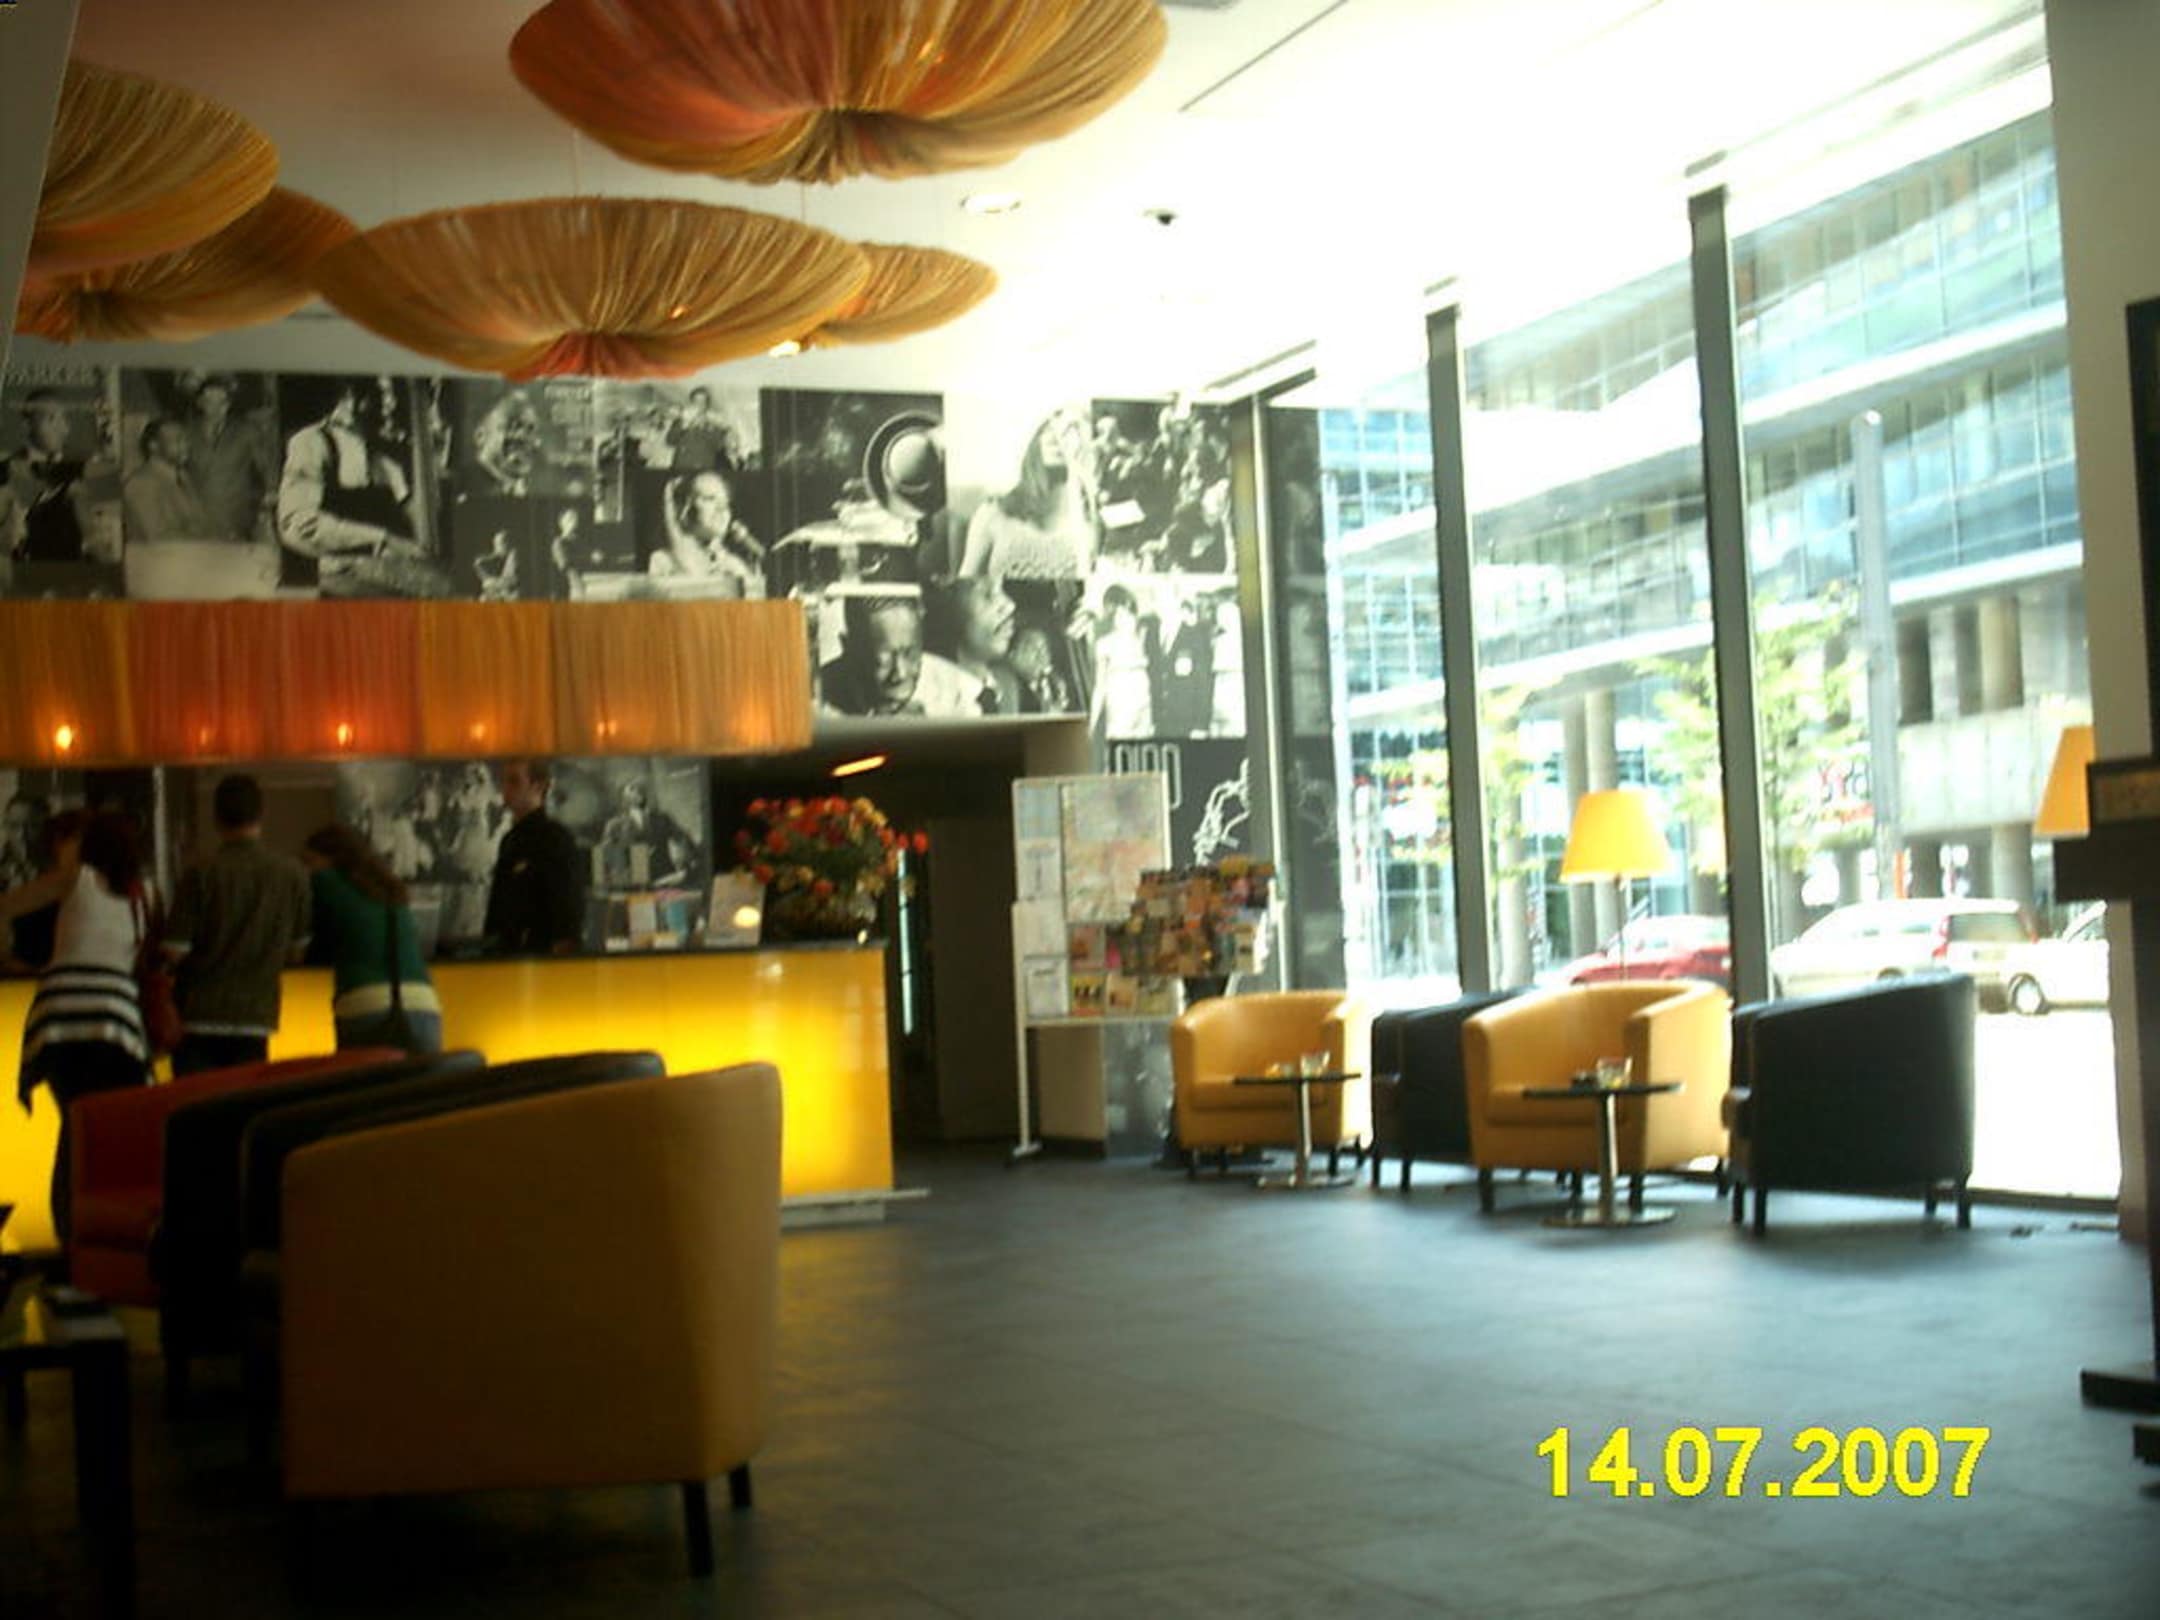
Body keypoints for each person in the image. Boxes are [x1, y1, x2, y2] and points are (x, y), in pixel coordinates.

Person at [3, 811, 152, 1241]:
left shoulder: (76, 879)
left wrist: (11, 956)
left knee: (74, 1126)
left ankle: (70, 1233)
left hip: (61, 1023)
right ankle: (106, 1233)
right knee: (108, 1135)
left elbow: (8, 905)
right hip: (117, 1027)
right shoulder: (147, 896)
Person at [163, 774, 312, 1076]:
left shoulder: (200, 872)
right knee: (244, 1100)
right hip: (256, 1016)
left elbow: (174, 951)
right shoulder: (292, 874)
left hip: (198, 1015)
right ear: (261, 814)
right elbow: (297, 952)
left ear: (216, 817)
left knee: (197, 1104)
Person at [301, 824, 443, 1054]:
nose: (305, 869)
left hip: (364, 1003)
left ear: (331, 857)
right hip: (423, 1003)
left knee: (368, 1078)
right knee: (422, 1078)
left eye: (309, 861)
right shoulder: (390, 889)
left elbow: (315, 947)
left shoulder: (324, 880)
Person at [275, 375, 426, 593]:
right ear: (350, 398)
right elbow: (296, 525)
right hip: (345, 583)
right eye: (383, 394)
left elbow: (414, 529)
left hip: (399, 581)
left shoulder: (386, 452)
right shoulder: (311, 443)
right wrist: (383, 540)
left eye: (394, 393)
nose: (391, 404)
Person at [957, 408, 1099, 581]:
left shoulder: (1093, 525)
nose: (1058, 437)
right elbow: (965, 585)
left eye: (1073, 431)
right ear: (1036, 441)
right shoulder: (993, 514)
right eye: (1050, 429)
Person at [817, 594, 984, 717]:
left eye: (910, 654)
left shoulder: (961, 694)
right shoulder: (817, 694)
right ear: (849, 647)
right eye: (883, 660)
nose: (900, 673)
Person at [484, 759, 586, 955]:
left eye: (514, 781)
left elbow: (569, 908)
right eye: (504, 781)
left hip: (542, 956)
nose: (506, 789)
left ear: (538, 786)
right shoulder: (509, 840)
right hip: (507, 955)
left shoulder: (556, 839)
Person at [184, 374, 275, 542]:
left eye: (222, 402)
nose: (216, 408)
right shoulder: (187, 432)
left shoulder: (247, 431)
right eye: (209, 401)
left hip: (236, 516)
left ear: (229, 404)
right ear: (200, 403)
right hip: (198, 516)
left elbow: (266, 466)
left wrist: (271, 492)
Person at [648, 469, 765, 595]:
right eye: (710, 499)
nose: (721, 508)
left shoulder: (736, 565)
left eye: (726, 502)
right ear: (686, 510)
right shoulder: (662, 561)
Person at [925, 577, 1022, 713]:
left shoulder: (1006, 686)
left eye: (1003, 590)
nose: (1010, 605)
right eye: (987, 594)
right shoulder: (927, 699)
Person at [597, 778, 700, 891]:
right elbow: (604, 857)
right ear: (624, 798)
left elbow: (682, 838)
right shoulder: (614, 825)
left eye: (639, 789)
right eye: (632, 789)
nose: (637, 792)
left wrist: (688, 862)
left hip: (664, 878)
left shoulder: (662, 818)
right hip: (633, 883)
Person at [122, 417, 214, 543]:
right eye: (177, 440)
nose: (186, 446)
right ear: (153, 446)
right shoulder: (141, 483)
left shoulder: (183, 477)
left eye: (186, 440)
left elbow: (201, 524)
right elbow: (157, 538)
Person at [1093, 585, 1156, 736]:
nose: (1129, 620)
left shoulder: (1141, 640)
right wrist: (1092, 723)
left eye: (1131, 613)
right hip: (1120, 707)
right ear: (1112, 616)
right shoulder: (1105, 644)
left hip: (1144, 704)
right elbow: (1100, 686)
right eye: (1122, 615)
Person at [1158, 596, 1216, 736]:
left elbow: (1203, 680)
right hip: (1167, 717)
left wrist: (1200, 724)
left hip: (1188, 715)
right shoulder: (1156, 635)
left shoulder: (1196, 636)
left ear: (1184, 612)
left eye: (1172, 610)